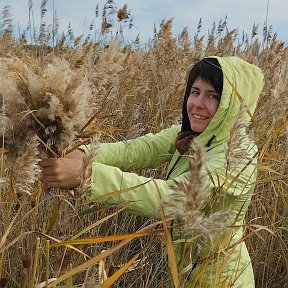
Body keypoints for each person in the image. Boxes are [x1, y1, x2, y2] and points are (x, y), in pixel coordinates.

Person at [40, 56, 264, 287]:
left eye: (213, 96)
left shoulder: (238, 156)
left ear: (233, 104)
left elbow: (172, 198)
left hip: (223, 279)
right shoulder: (190, 135)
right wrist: (84, 154)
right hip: (186, 271)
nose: (197, 103)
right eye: (195, 91)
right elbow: (137, 150)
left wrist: (87, 175)